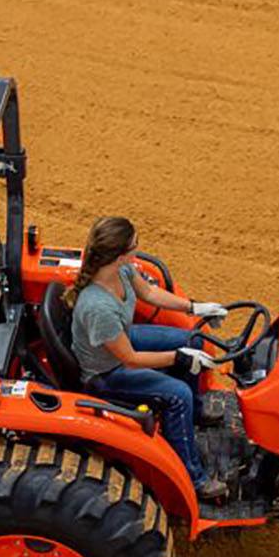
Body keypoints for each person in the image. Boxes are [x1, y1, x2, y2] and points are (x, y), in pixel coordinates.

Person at [65, 216, 232, 503]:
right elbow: (129, 359)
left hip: (122, 341)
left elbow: (151, 293)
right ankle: (195, 479)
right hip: (107, 373)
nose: (137, 249)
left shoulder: (123, 271)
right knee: (177, 394)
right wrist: (177, 359)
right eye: (134, 245)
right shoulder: (97, 307)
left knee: (191, 339)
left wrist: (196, 308)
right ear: (120, 255)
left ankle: (196, 411)